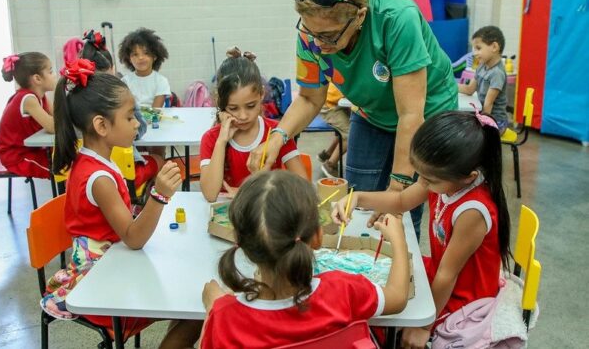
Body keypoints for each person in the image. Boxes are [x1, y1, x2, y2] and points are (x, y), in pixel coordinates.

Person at [248, 0, 458, 241]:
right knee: (355, 201)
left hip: (425, 117)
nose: (318, 43)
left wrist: (396, 192)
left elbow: (410, 115)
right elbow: (310, 99)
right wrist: (278, 136)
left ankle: (398, 272)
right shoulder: (311, 35)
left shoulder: (396, 18)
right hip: (372, 113)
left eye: (329, 35)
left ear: (359, 16)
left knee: (401, 213)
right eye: (311, 32)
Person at [40, 59, 200, 346]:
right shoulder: (98, 177)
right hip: (100, 283)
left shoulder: (96, 159)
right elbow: (134, 238)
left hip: (112, 264)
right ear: (101, 125)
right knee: (195, 309)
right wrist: (159, 195)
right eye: (129, 117)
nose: (137, 122)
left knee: (188, 297)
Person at [332, 110, 511, 349]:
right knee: (373, 294)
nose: (423, 183)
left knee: (387, 321)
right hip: (439, 275)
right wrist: (357, 198)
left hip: (464, 297)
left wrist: (424, 326)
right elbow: (401, 201)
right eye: (421, 176)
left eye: (429, 180)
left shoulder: (472, 211)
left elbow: (448, 275)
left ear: (469, 177)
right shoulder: (443, 178)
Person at [199, 170, 410, 348]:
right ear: (318, 237)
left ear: (240, 241)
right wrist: (399, 241)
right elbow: (397, 297)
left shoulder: (225, 317)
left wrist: (212, 308)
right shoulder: (343, 290)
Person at [199, 47, 307, 202]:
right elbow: (210, 194)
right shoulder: (212, 138)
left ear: (262, 94)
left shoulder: (277, 133)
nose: (243, 116)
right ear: (221, 103)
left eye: (250, 106)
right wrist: (221, 141)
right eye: (233, 108)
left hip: (267, 212)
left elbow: (303, 186)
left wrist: (248, 192)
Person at [80, 29, 162, 191]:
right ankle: (144, 205)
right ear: (112, 68)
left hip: (82, 175)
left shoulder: (75, 94)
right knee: (159, 159)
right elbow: (140, 129)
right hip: (122, 175)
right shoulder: (120, 92)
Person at [0, 52, 56, 179]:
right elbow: (52, 126)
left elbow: (58, 116)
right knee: (60, 167)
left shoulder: (41, 96)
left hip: (32, 150)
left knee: (70, 156)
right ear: (37, 79)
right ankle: (65, 198)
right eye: (50, 72)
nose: (54, 76)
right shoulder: (27, 99)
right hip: (16, 156)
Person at [458, 25, 509, 134]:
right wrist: (449, 85)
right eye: (474, 48)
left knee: (468, 134)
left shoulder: (497, 73)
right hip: (482, 113)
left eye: (478, 48)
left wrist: (482, 128)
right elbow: (469, 89)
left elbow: (488, 104)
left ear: (494, 47)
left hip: (496, 120)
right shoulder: (482, 66)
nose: (474, 53)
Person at [118, 27, 171, 108]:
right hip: (133, 119)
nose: (141, 58)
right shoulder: (125, 81)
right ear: (129, 59)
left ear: (155, 56)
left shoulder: (161, 81)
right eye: (135, 54)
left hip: (155, 119)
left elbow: (156, 110)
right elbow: (125, 108)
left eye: (146, 53)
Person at [317, 82, 350, 178]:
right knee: (351, 135)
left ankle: (328, 154)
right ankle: (330, 164)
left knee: (344, 129)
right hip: (329, 106)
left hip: (333, 103)